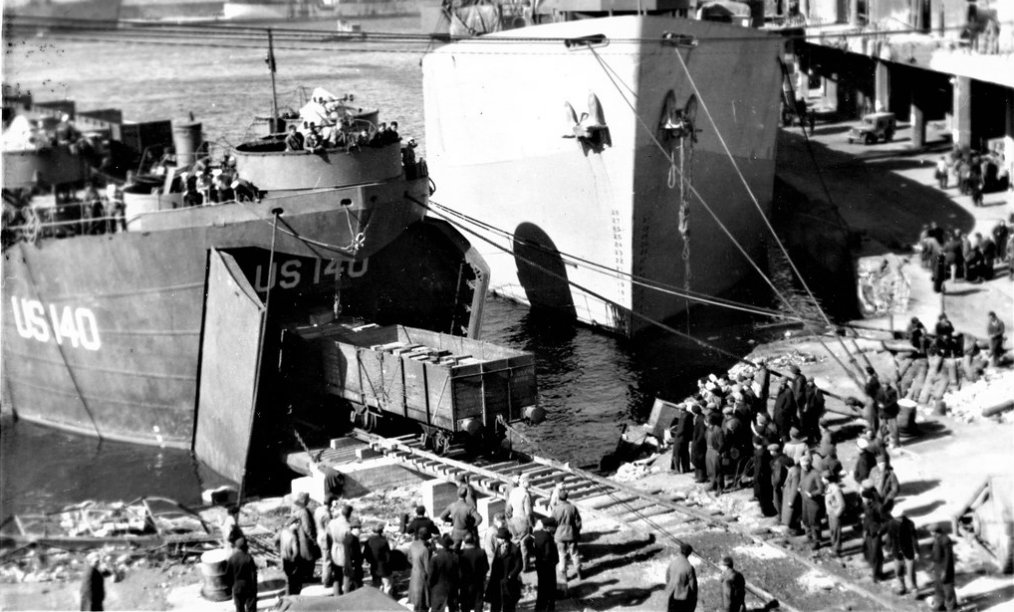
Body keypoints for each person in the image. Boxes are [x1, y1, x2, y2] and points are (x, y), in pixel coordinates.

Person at [884, 503, 918, 596]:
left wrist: (916, 551)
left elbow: (914, 538)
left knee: (911, 572)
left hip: (909, 551)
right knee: (898, 571)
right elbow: (890, 537)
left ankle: (914, 589)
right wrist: (887, 549)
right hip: (897, 551)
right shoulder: (891, 524)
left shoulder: (910, 524)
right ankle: (901, 587)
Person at [487, 527, 523, 612]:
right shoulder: (499, 547)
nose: (497, 540)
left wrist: (511, 576)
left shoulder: (514, 549)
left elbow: (519, 565)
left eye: (499, 538)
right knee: (495, 603)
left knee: (509, 604)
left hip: (508, 582)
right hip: (497, 580)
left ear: (504, 539)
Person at [550, 488, 582, 583]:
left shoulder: (555, 509)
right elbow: (578, 522)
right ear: (567, 497)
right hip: (571, 533)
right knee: (575, 553)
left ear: (559, 498)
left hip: (559, 535)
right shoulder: (572, 507)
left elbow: (552, 523)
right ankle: (579, 572)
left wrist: (553, 533)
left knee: (562, 555)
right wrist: (576, 531)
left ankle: (564, 575)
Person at [506, 474, 533, 569]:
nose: (530, 483)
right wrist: (531, 524)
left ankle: (514, 564)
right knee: (523, 543)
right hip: (523, 520)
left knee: (514, 542)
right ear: (524, 482)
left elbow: (508, 507)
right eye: (529, 481)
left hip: (513, 520)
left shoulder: (513, 491)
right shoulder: (525, 494)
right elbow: (528, 512)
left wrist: (509, 520)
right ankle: (525, 566)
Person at [531, 518, 559, 612]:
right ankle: (550, 608)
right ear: (547, 527)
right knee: (551, 588)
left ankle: (539, 608)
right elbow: (548, 553)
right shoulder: (547, 537)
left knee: (541, 587)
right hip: (548, 566)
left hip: (539, 564)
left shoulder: (535, 534)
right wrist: (554, 561)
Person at [224, 537, 258, 612]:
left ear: (237, 547)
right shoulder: (248, 558)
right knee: (251, 609)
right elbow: (253, 574)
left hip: (237, 587)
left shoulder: (232, 559)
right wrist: (255, 588)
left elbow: (228, 575)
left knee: (239, 609)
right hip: (248, 587)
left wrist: (230, 587)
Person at [458, 532, 489, 612]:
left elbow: (457, 569)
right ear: (474, 540)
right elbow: (486, 567)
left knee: (465, 607)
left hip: (465, 584)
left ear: (464, 541)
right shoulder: (481, 552)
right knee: (478, 606)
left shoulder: (460, 553)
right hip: (478, 583)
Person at [428, 534, 459, 612]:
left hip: (438, 589)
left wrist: (430, 586)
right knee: (453, 609)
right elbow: (458, 574)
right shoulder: (455, 557)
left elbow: (431, 575)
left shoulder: (435, 557)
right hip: (452, 588)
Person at [861, 487, 887, 582]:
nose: (863, 500)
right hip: (868, 533)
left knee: (876, 555)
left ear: (869, 498)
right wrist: (864, 530)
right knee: (871, 553)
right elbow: (866, 519)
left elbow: (886, 521)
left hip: (876, 534)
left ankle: (876, 575)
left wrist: (880, 531)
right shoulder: (865, 505)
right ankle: (877, 573)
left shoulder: (879, 507)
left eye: (864, 498)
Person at [664, 542, 698, 612]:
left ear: (680, 550)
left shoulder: (672, 563)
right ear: (689, 553)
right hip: (682, 598)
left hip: (671, 595)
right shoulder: (689, 567)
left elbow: (667, 578)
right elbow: (693, 587)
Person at [800, 456, 825, 550]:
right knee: (806, 519)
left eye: (806, 465)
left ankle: (816, 541)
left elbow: (821, 489)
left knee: (814, 522)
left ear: (810, 464)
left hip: (813, 502)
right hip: (805, 500)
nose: (805, 467)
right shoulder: (803, 471)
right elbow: (802, 481)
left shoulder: (815, 474)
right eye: (803, 465)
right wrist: (799, 486)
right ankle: (809, 536)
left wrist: (812, 494)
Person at [328, 504, 354, 596]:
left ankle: (336, 594)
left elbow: (328, 536)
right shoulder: (347, 526)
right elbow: (350, 541)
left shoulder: (332, 522)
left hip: (334, 547)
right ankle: (346, 594)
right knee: (347, 573)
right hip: (344, 549)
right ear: (349, 514)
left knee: (336, 574)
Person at [931, 525, 958, 611]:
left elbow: (948, 557)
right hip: (938, 567)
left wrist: (945, 571)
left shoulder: (946, 540)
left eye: (932, 532)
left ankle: (951, 606)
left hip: (945, 568)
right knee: (938, 587)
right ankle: (939, 604)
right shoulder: (937, 539)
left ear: (936, 532)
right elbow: (936, 554)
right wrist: (933, 566)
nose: (931, 534)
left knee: (948, 588)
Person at [364, 522, 393, 595]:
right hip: (384, 567)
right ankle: (387, 599)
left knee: (376, 585)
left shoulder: (368, 541)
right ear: (381, 531)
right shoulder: (384, 541)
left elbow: (366, 554)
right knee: (387, 585)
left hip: (374, 566)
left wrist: (370, 561)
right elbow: (388, 556)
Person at [409, 527, 433, 612]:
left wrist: (416, 564)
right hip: (422, 576)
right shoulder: (425, 549)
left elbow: (409, 558)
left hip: (414, 573)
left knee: (416, 601)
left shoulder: (413, 544)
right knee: (423, 602)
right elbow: (427, 568)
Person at [752, 437, 777, 517]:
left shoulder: (759, 454)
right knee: (767, 495)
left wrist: (756, 478)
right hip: (767, 475)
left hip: (761, 477)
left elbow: (758, 467)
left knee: (762, 496)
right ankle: (769, 511)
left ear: (755, 443)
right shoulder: (766, 451)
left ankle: (766, 513)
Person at [277, 518, 303, 595]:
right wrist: (295, 559)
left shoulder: (283, 532)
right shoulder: (293, 536)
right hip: (292, 560)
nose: (298, 526)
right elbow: (296, 551)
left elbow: (276, 541)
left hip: (284, 558)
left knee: (288, 580)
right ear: (292, 524)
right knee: (295, 581)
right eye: (297, 524)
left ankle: (287, 595)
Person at [781, 452, 805, 535]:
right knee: (792, 515)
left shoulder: (794, 472)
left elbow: (794, 488)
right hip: (789, 496)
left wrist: (791, 501)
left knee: (793, 516)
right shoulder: (794, 470)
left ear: (786, 466)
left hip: (792, 498)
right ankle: (793, 529)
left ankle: (795, 531)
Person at [823, 471, 846, 556]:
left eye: (823, 478)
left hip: (835, 514)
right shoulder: (829, 487)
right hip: (831, 513)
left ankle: (837, 550)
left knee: (836, 533)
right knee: (833, 532)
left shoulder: (836, 489)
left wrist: (837, 514)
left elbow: (842, 504)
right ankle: (834, 547)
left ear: (827, 479)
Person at [314, 495, 335, 588]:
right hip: (325, 537)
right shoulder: (327, 515)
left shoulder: (318, 510)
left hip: (319, 534)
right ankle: (326, 581)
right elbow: (329, 529)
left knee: (324, 558)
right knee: (328, 560)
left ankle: (326, 577)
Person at [705, 411, 727, 494]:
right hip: (709, 450)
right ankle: (713, 484)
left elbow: (722, 444)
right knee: (710, 469)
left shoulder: (718, 430)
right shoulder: (708, 429)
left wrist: (718, 452)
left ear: (708, 422)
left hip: (715, 451)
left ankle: (720, 487)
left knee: (717, 470)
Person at [770, 443, 792, 520]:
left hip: (778, 485)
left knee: (777, 501)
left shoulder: (777, 461)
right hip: (785, 483)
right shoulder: (784, 457)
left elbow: (777, 475)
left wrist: (775, 485)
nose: (770, 452)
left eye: (771, 451)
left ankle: (780, 516)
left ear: (774, 451)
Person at [670, 402, 693, 473]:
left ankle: (677, 469)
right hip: (686, 437)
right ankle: (686, 468)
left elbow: (682, 428)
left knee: (676, 453)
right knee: (685, 453)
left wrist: (675, 434)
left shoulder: (683, 417)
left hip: (680, 437)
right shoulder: (689, 415)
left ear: (680, 409)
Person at [877, 382, 901, 448]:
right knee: (882, 427)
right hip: (882, 413)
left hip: (891, 413)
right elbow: (877, 399)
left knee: (893, 428)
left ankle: (895, 443)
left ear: (888, 385)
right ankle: (882, 441)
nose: (884, 386)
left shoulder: (892, 391)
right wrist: (879, 404)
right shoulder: (879, 391)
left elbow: (893, 401)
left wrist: (885, 405)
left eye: (885, 385)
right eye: (883, 384)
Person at [691, 404, 709, 484]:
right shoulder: (700, 417)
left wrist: (697, 442)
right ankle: (697, 475)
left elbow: (701, 432)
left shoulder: (700, 419)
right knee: (697, 458)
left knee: (699, 459)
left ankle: (702, 477)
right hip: (698, 440)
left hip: (699, 442)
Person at [863, 367, 881, 434]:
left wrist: (867, 383)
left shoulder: (872, 380)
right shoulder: (872, 378)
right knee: (870, 414)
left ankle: (873, 430)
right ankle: (871, 428)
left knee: (872, 415)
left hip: (872, 398)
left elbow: (867, 390)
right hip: (871, 398)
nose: (864, 372)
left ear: (868, 373)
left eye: (865, 371)